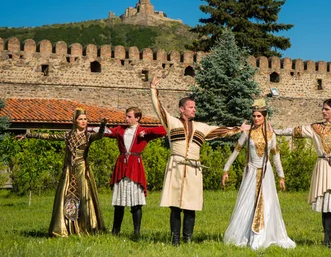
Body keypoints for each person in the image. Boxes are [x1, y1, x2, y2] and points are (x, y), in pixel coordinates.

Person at [150, 75, 241, 246]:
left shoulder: (201, 127)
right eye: (191, 107)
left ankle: (188, 239)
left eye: (195, 107)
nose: (194, 109)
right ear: (181, 109)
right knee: (175, 205)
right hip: (176, 167)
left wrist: (239, 129)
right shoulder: (171, 123)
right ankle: (175, 240)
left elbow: (220, 131)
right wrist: (153, 89)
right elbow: (159, 109)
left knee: (190, 205)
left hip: (193, 169)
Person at [274, 68, 331, 248]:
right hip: (322, 166)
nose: (323, 112)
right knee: (325, 205)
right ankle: (326, 239)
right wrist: (273, 130)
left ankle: (328, 240)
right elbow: (293, 131)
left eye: (326, 109)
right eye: (322, 109)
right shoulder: (315, 128)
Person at [19, 109, 107, 237]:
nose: (84, 121)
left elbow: (99, 135)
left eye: (85, 119)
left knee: (84, 196)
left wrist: (103, 126)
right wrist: (29, 135)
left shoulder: (88, 136)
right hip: (68, 171)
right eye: (81, 119)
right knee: (64, 197)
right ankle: (64, 228)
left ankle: (87, 227)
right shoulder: (68, 135)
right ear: (75, 121)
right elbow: (50, 136)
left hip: (82, 170)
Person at [221, 99, 295, 250]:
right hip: (251, 172)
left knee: (267, 202)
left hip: (266, 174)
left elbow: (275, 157)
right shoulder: (247, 134)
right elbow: (236, 151)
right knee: (248, 202)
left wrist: (281, 176)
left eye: (259, 116)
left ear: (264, 117)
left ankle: (264, 234)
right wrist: (226, 168)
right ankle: (244, 234)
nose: (256, 119)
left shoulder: (271, 135)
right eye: (254, 116)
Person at [102, 107, 166, 238]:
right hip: (121, 165)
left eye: (129, 117)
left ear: (137, 118)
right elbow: (107, 132)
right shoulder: (120, 129)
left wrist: (147, 131)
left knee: (136, 202)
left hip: (135, 167)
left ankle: (136, 233)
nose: (126, 119)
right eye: (126, 116)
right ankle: (115, 231)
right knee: (119, 202)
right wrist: (91, 128)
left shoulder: (142, 131)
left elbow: (164, 130)